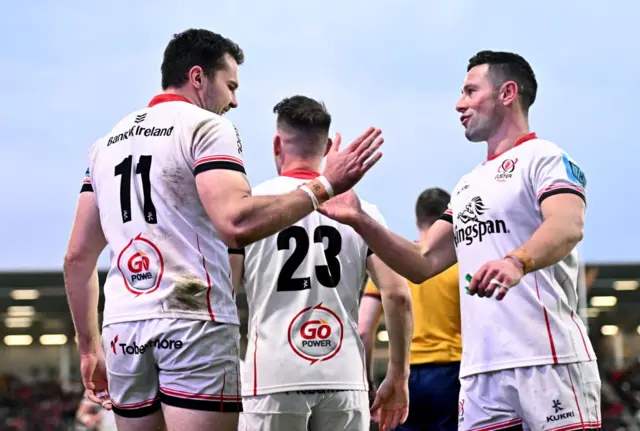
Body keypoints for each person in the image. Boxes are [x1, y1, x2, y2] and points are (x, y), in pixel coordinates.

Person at [63, 28, 385, 431]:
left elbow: (77, 257)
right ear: (198, 77)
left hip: (123, 327)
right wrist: (325, 186)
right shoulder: (205, 127)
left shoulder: (105, 144)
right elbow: (236, 222)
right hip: (193, 320)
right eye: (230, 85)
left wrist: (89, 348)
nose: (234, 100)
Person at [319, 50, 601, 431]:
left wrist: (515, 261)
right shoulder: (468, 186)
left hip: (546, 362)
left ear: (507, 93)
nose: (459, 103)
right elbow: (422, 261)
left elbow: (568, 225)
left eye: (470, 91)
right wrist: (359, 219)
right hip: (479, 375)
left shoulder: (545, 157)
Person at [228, 95, 413, 431]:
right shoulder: (362, 212)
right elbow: (398, 295)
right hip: (343, 376)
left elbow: (225, 294)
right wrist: (398, 375)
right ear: (328, 147)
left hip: (271, 377)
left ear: (276, 144)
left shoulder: (250, 210)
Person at [358, 187, 461, 431]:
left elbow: (363, 329)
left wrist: (369, 383)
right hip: (453, 376)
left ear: (417, 219)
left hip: (404, 374)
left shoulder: (395, 267)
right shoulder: (462, 265)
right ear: (449, 220)